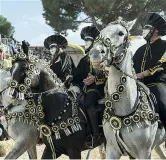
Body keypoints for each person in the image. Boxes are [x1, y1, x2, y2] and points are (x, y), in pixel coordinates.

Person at [72, 26, 106, 147]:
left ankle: (96, 135)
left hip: (100, 89)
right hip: (85, 89)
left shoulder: (102, 55)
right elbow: (76, 76)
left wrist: (95, 78)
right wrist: (73, 80)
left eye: (88, 40)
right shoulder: (84, 59)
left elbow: (106, 71)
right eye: (84, 40)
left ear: (94, 41)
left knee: (88, 102)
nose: (85, 43)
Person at [133, 12, 166, 128]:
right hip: (137, 85)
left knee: (163, 104)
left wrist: (145, 73)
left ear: (156, 30)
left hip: (156, 83)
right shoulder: (140, 49)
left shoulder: (164, 45)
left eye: (146, 27)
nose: (143, 30)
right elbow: (131, 65)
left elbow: (162, 63)